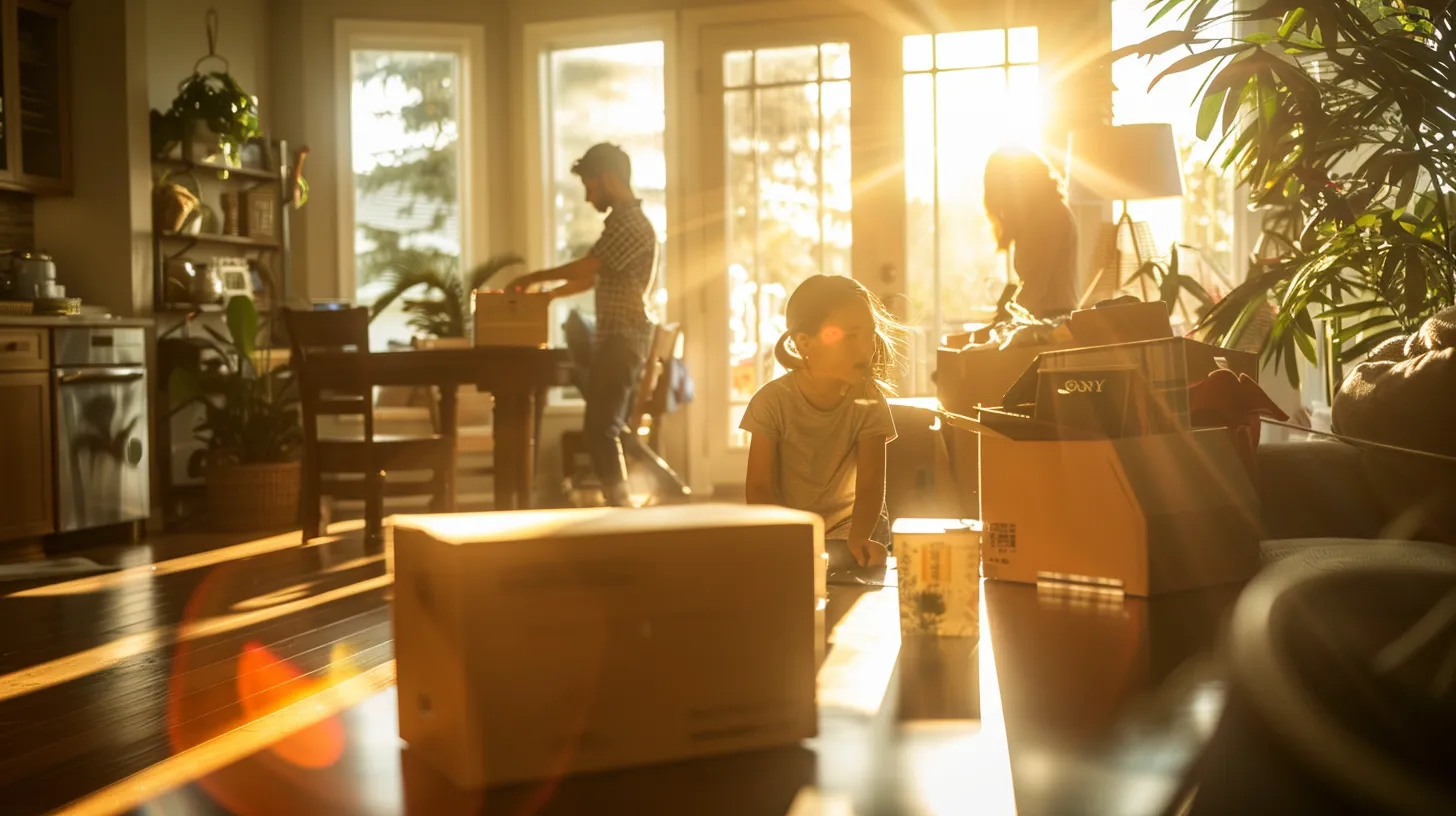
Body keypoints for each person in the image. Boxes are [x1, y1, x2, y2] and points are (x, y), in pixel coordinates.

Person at [510, 143, 657, 507]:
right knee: (602, 427)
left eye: (590, 186)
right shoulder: (621, 224)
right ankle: (620, 504)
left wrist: (536, 277)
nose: (590, 196)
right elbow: (595, 276)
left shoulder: (630, 224)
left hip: (623, 338)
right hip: (617, 338)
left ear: (607, 179)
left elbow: (590, 266)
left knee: (600, 429)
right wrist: (549, 295)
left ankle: (622, 507)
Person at [740, 275, 901, 570]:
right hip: (789, 530)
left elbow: (870, 484)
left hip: (853, 531)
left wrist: (859, 537)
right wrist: (786, 538)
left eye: (869, 333)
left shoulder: (869, 400)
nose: (866, 347)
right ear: (804, 343)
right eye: (851, 335)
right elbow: (759, 488)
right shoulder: (770, 402)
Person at [983, 147, 1079, 320]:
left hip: (1049, 324)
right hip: (1048, 320)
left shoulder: (1048, 216)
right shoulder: (1044, 214)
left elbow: (1035, 286)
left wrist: (1007, 319)